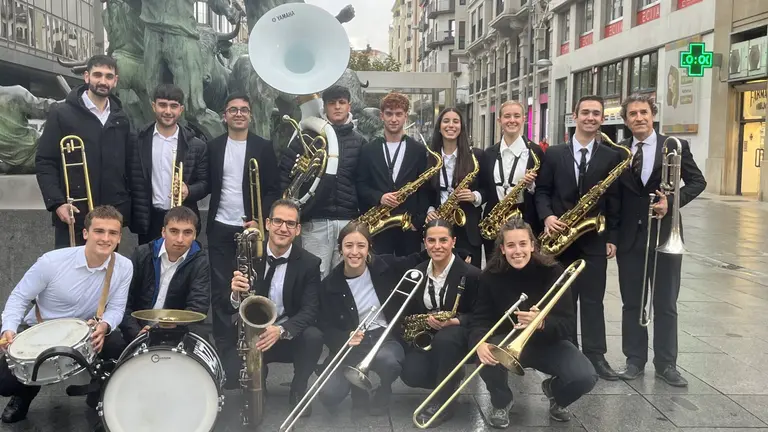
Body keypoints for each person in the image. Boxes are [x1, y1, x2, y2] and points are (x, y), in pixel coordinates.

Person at [0, 206, 133, 423]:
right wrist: (9, 330)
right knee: (5, 382)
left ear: (119, 237)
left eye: (113, 233)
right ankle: (23, 395)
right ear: (85, 233)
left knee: (117, 345)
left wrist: (105, 325)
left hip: (85, 332)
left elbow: (117, 308)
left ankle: (99, 393)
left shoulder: (124, 267)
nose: (106, 238)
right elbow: (19, 298)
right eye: (99, 231)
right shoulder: (51, 262)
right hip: (41, 331)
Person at [614, 94, 706, 387]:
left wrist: (673, 202)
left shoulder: (674, 146)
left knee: (665, 303)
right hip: (630, 238)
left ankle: (667, 364)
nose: (638, 118)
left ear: (652, 115)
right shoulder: (619, 151)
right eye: (632, 114)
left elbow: (697, 181)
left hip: (665, 234)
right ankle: (634, 360)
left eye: (643, 112)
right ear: (626, 120)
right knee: (632, 302)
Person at [471, 217, 597, 428]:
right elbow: (480, 319)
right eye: (511, 245)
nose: (517, 251)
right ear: (502, 249)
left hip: (548, 343)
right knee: (486, 356)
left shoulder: (552, 272)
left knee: (585, 377)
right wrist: (479, 343)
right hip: (507, 340)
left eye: (522, 244)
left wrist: (542, 322)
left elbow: (566, 324)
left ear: (532, 245)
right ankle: (502, 401)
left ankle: (556, 394)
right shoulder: (490, 276)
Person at [534, 95, 623, 381]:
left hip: (594, 238)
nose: (591, 118)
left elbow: (614, 200)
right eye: (585, 112)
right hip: (560, 238)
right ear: (575, 116)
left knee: (594, 300)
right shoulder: (555, 153)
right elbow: (542, 191)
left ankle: (596, 356)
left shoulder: (612, 156)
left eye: (596, 113)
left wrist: (612, 236)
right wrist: (547, 217)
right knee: (563, 301)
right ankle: (567, 351)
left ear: (602, 118)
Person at [316, 221, 425, 416]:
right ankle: (358, 388)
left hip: (384, 336)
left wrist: (458, 252)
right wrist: (344, 337)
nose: (354, 252)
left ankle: (384, 388)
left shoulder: (384, 266)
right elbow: (324, 326)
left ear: (369, 248)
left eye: (361, 246)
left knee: (389, 362)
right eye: (348, 246)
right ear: (340, 249)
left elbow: (416, 258)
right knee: (328, 395)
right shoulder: (329, 285)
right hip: (351, 343)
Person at [229, 199, 324, 412]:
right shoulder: (248, 254)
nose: (283, 228)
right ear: (267, 224)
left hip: (288, 334)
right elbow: (232, 304)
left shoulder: (310, 263)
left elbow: (310, 310)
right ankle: (257, 382)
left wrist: (281, 330)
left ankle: (299, 386)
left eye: (290, 223)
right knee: (230, 367)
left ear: (298, 229)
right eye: (278, 221)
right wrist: (235, 293)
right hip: (255, 333)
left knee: (314, 336)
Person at [207, 93, 281, 363]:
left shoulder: (263, 147)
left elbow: (273, 188)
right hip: (219, 226)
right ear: (224, 115)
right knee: (221, 290)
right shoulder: (214, 146)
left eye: (244, 110)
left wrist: (259, 219)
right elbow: (207, 184)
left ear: (250, 115)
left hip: (251, 229)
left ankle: (249, 347)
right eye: (233, 110)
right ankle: (225, 352)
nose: (239, 114)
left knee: (250, 287)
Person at [35, 55, 133, 249]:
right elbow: (45, 161)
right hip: (73, 213)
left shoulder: (121, 118)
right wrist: (57, 203)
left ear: (115, 81)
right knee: (70, 273)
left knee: (105, 274)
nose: (103, 81)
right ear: (87, 77)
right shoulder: (61, 113)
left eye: (108, 76)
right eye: (97, 75)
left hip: (110, 215)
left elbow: (129, 166)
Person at [279, 85, 367, 278]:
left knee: (345, 277)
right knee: (314, 276)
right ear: (324, 107)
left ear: (349, 106)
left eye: (342, 103)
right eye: (332, 103)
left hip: (347, 220)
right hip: (315, 219)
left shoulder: (359, 141)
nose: (337, 107)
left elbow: (363, 182)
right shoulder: (307, 137)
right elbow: (285, 174)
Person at [402, 219, 479, 427]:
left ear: (453, 241)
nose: (437, 246)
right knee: (410, 373)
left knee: (446, 339)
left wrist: (457, 320)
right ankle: (450, 381)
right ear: (424, 243)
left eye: (443, 240)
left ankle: (442, 403)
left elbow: (482, 315)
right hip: (429, 335)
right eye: (432, 240)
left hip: (458, 334)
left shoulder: (472, 274)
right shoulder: (417, 273)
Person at [129, 84, 209, 245]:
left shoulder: (196, 145)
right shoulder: (137, 140)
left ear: (181, 109)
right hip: (149, 219)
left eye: (173, 106)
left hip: (182, 218)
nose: (167, 111)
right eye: (162, 105)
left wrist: (189, 190)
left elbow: (206, 183)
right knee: (149, 267)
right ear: (154, 106)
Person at [121, 206, 210, 343]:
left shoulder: (201, 262)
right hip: (138, 331)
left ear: (195, 235)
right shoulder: (142, 254)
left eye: (187, 233)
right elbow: (124, 301)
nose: (180, 239)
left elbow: (197, 308)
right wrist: (135, 332)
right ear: (163, 232)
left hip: (177, 335)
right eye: (174, 231)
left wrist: (169, 333)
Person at [356, 92, 428, 256]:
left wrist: (418, 221)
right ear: (382, 116)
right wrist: (379, 197)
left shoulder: (418, 150)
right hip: (379, 226)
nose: (394, 119)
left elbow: (425, 189)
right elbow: (360, 184)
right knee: (380, 274)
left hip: (408, 227)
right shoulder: (368, 150)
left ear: (406, 116)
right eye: (389, 114)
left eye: (398, 114)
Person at [480, 101, 544, 262]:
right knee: (494, 267)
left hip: (525, 217)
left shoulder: (535, 152)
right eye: (507, 116)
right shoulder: (488, 153)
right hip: (495, 220)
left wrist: (531, 185)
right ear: (499, 120)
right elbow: (485, 188)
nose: (512, 120)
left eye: (516, 116)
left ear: (524, 119)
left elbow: (544, 189)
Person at [424, 108, 485, 268]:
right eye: (446, 121)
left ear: (462, 127)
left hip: (468, 230)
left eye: (455, 121)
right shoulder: (430, 158)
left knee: (470, 280)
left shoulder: (476, 156)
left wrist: (475, 196)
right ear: (439, 127)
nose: (451, 125)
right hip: (439, 226)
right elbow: (425, 193)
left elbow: (488, 188)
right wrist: (430, 210)